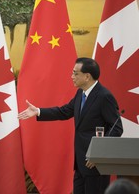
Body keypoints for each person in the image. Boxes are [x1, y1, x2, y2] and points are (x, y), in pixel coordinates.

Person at [18, 57, 123, 194]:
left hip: (95, 164)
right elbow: (64, 111)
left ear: (87, 76)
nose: (71, 76)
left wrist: (99, 154)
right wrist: (38, 111)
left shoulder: (104, 96)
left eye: (75, 73)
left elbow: (116, 127)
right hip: (80, 163)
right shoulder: (81, 93)